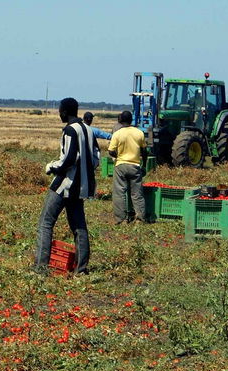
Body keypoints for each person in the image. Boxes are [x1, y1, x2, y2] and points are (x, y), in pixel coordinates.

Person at [34, 97, 99, 274]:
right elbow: (96, 157)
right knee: (79, 227)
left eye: (60, 111)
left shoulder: (69, 130)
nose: (59, 114)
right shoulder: (88, 129)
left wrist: (52, 167)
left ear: (63, 111)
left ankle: (40, 268)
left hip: (65, 184)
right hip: (82, 187)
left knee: (45, 223)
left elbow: (69, 159)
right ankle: (81, 269)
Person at [108, 110, 147, 223]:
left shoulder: (117, 134)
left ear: (120, 120)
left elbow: (111, 151)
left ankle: (121, 220)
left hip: (121, 165)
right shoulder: (139, 133)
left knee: (119, 193)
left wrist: (118, 156)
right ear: (131, 120)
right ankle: (140, 218)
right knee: (137, 193)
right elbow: (144, 151)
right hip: (135, 165)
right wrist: (143, 164)